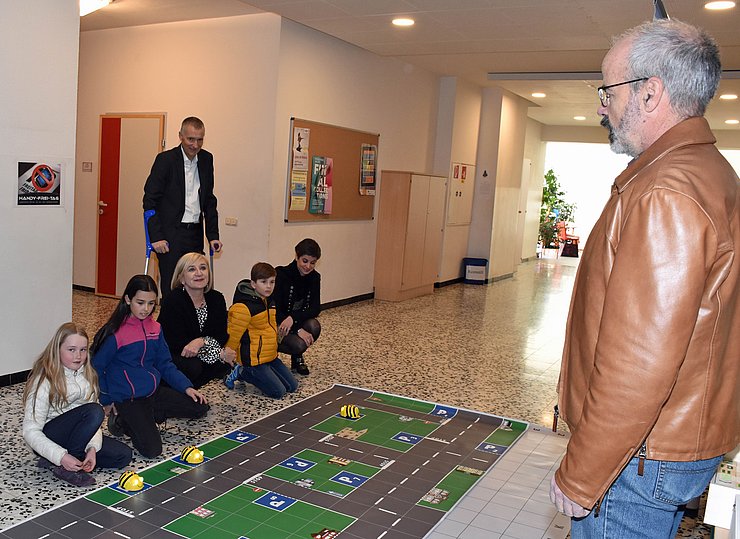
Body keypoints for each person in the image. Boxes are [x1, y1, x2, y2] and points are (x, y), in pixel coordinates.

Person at [549, 19, 739, 538]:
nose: (600, 107)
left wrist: (582, 475)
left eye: (608, 90)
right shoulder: (708, 172)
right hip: (664, 443)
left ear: (651, 92)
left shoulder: (665, 192)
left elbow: (639, 363)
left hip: (636, 458)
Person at [91, 275, 209, 459]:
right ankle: (123, 420)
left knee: (199, 407)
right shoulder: (116, 332)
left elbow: (164, 363)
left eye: (151, 303)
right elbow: (97, 367)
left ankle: (147, 416)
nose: (146, 309)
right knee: (152, 450)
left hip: (152, 392)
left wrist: (187, 387)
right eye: (140, 302)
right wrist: (107, 400)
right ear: (128, 299)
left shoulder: (156, 328)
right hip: (128, 398)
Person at [22, 323, 132, 487]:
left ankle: (58, 459)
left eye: (83, 350)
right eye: (71, 350)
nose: (78, 356)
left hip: (78, 436)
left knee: (123, 456)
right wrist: (62, 456)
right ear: (57, 350)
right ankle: (65, 464)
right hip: (50, 435)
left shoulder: (88, 375)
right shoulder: (44, 381)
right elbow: (30, 431)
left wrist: (92, 449)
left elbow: (92, 424)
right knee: (95, 411)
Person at [143, 116, 222, 297]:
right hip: (170, 235)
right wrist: (156, 237)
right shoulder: (165, 160)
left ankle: (191, 325)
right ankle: (169, 324)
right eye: (190, 139)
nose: (195, 145)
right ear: (180, 136)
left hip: (194, 233)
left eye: (200, 139)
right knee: (172, 288)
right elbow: (149, 201)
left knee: (196, 286)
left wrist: (213, 235)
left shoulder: (206, 159)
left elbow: (209, 199)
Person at [158, 252, 236, 389]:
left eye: (203, 268)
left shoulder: (216, 298)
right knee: (198, 366)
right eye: (191, 269)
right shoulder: (173, 300)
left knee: (222, 362)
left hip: (201, 350)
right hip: (173, 352)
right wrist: (218, 353)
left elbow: (221, 335)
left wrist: (201, 342)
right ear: (181, 278)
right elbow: (177, 343)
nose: (199, 273)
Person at [224, 262, 299, 399]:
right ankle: (241, 371)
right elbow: (233, 335)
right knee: (278, 392)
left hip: (269, 355)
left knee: (292, 386)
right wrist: (229, 353)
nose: (269, 286)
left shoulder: (270, 301)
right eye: (263, 282)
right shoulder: (244, 307)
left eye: (272, 282)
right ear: (253, 284)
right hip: (253, 361)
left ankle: (264, 374)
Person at [272, 238, 322, 375]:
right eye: (304, 261)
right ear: (296, 256)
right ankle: (270, 356)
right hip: (277, 323)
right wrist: (298, 329)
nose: (308, 266)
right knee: (299, 344)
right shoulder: (281, 274)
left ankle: (297, 358)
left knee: (314, 326)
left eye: (313, 263)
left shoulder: (315, 277)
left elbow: (315, 308)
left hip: (294, 321)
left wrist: (294, 320)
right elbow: (274, 310)